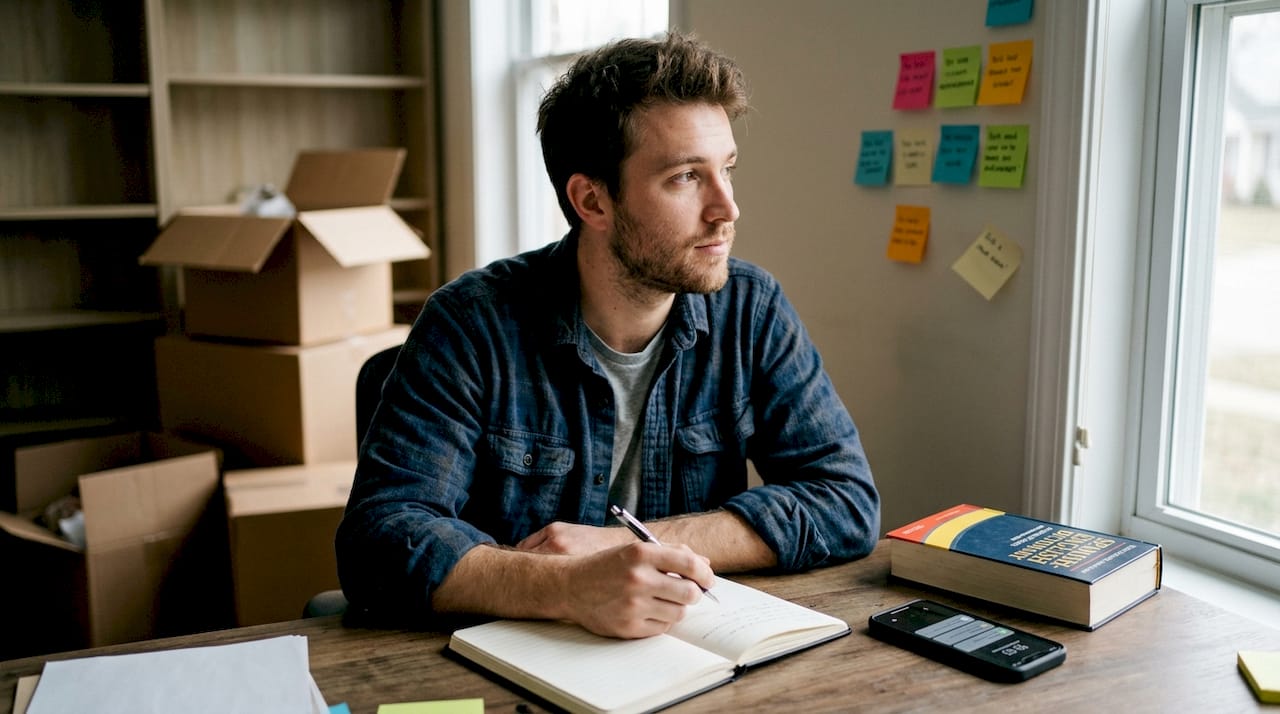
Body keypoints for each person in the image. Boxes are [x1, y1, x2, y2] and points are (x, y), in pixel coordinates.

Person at [335, 30, 879, 639]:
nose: (726, 209)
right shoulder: (470, 324)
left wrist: (621, 544)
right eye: (685, 177)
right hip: (514, 656)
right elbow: (380, 542)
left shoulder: (751, 310)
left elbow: (845, 502)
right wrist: (568, 587)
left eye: (726, 169)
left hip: (689, 650)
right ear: (592, 201)